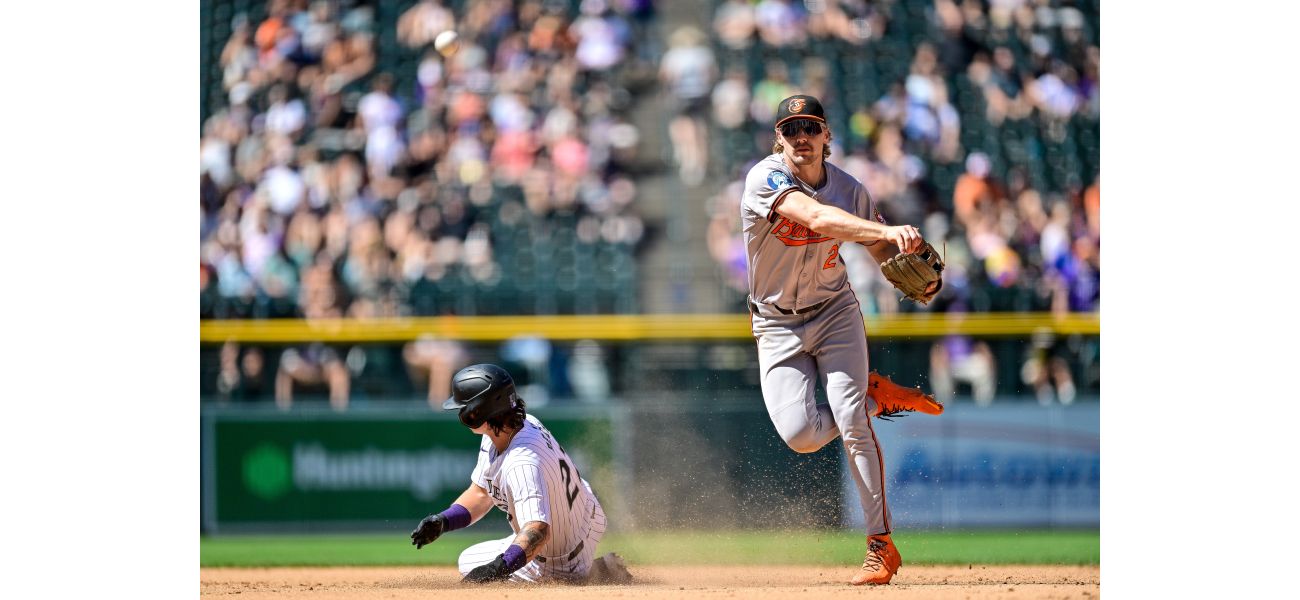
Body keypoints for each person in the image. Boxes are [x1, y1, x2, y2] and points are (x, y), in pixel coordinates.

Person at [740, 95, 943, 585]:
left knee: (849, 420)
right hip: (775, 323)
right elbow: (817, 219)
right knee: (802, 436)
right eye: (791, 130)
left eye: (811, 127)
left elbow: (876, 247)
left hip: (834, 312)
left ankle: (880, 546)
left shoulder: (850, 189)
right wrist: (889, 229)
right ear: (778, 139)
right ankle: (874, 396)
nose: (801, 137)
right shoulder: (764, 179)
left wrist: (915, 275)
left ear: (827, 135)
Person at [409, 364, 628, 584]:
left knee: (471, 565)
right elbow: (481, 494)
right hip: (585, 518)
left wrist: (498, 569)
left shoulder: (521, 461)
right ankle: (592, 566)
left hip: (561, 556)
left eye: (463, 407)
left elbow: (538, 531)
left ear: (477, 411)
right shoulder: (515, 426)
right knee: (471, 558)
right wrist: (443, 521)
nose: (460, 411)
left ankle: (593, 573)